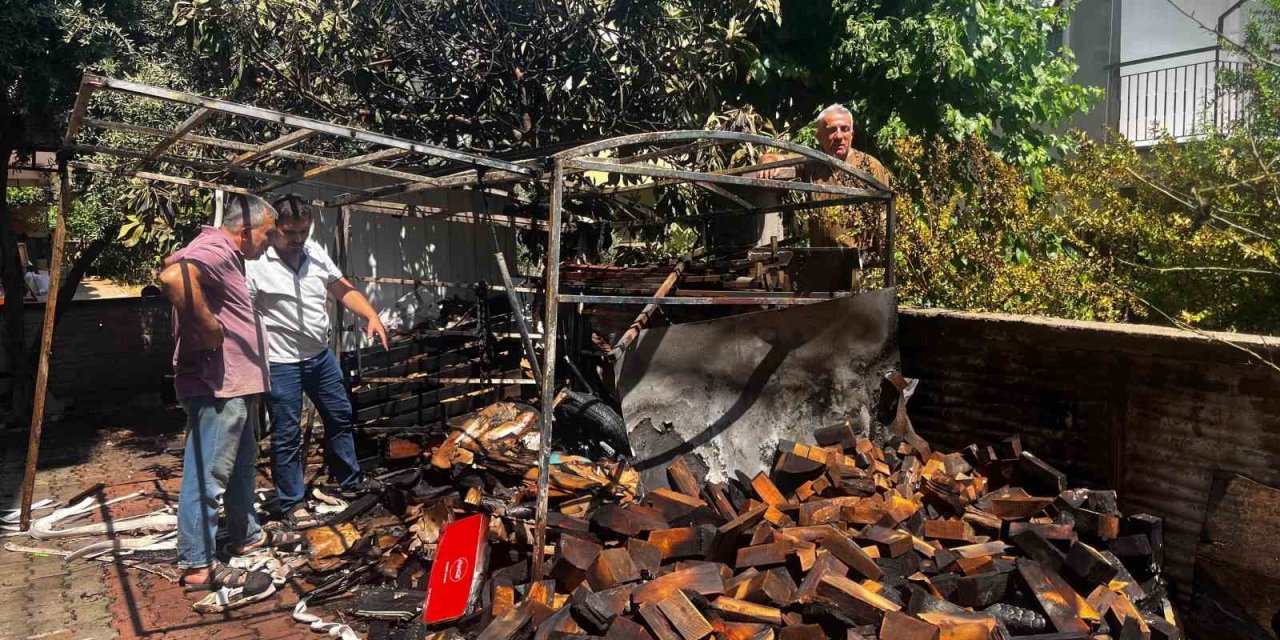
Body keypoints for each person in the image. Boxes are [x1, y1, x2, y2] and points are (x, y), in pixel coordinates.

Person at [157, 194, 301, 608]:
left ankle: (246, 534)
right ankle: (198, 564)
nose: (270, 241)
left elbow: (175, 260)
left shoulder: (219, 252)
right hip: (217, 386)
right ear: (245, 230)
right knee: (208, 475)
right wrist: (205, 324)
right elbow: (172, 276)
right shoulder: (218, 247)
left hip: (235, 384)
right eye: (268, 232)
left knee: (239, 470)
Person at [246, 194, 388, 529]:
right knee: (286, 433)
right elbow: (242, 315)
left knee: (340, 415)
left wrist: (371, 314)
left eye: (303, 231)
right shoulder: (256, 265)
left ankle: (350, 482)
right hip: (281, 362)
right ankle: (292, 502)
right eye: (289, 232)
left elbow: (342, 288)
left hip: (320, 357)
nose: (297, 239)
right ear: (272, 230)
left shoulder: (314, 252)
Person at [759, 104, 892, 252]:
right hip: (823, 260)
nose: (839, 136)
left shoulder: (870, 167)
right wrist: (768, 160)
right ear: (819, 137)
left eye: (845, 129)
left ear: (852, 134)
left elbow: (884, 217)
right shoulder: (812, 162)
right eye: (831, 130)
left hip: (861, 262)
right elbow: (779, 158)